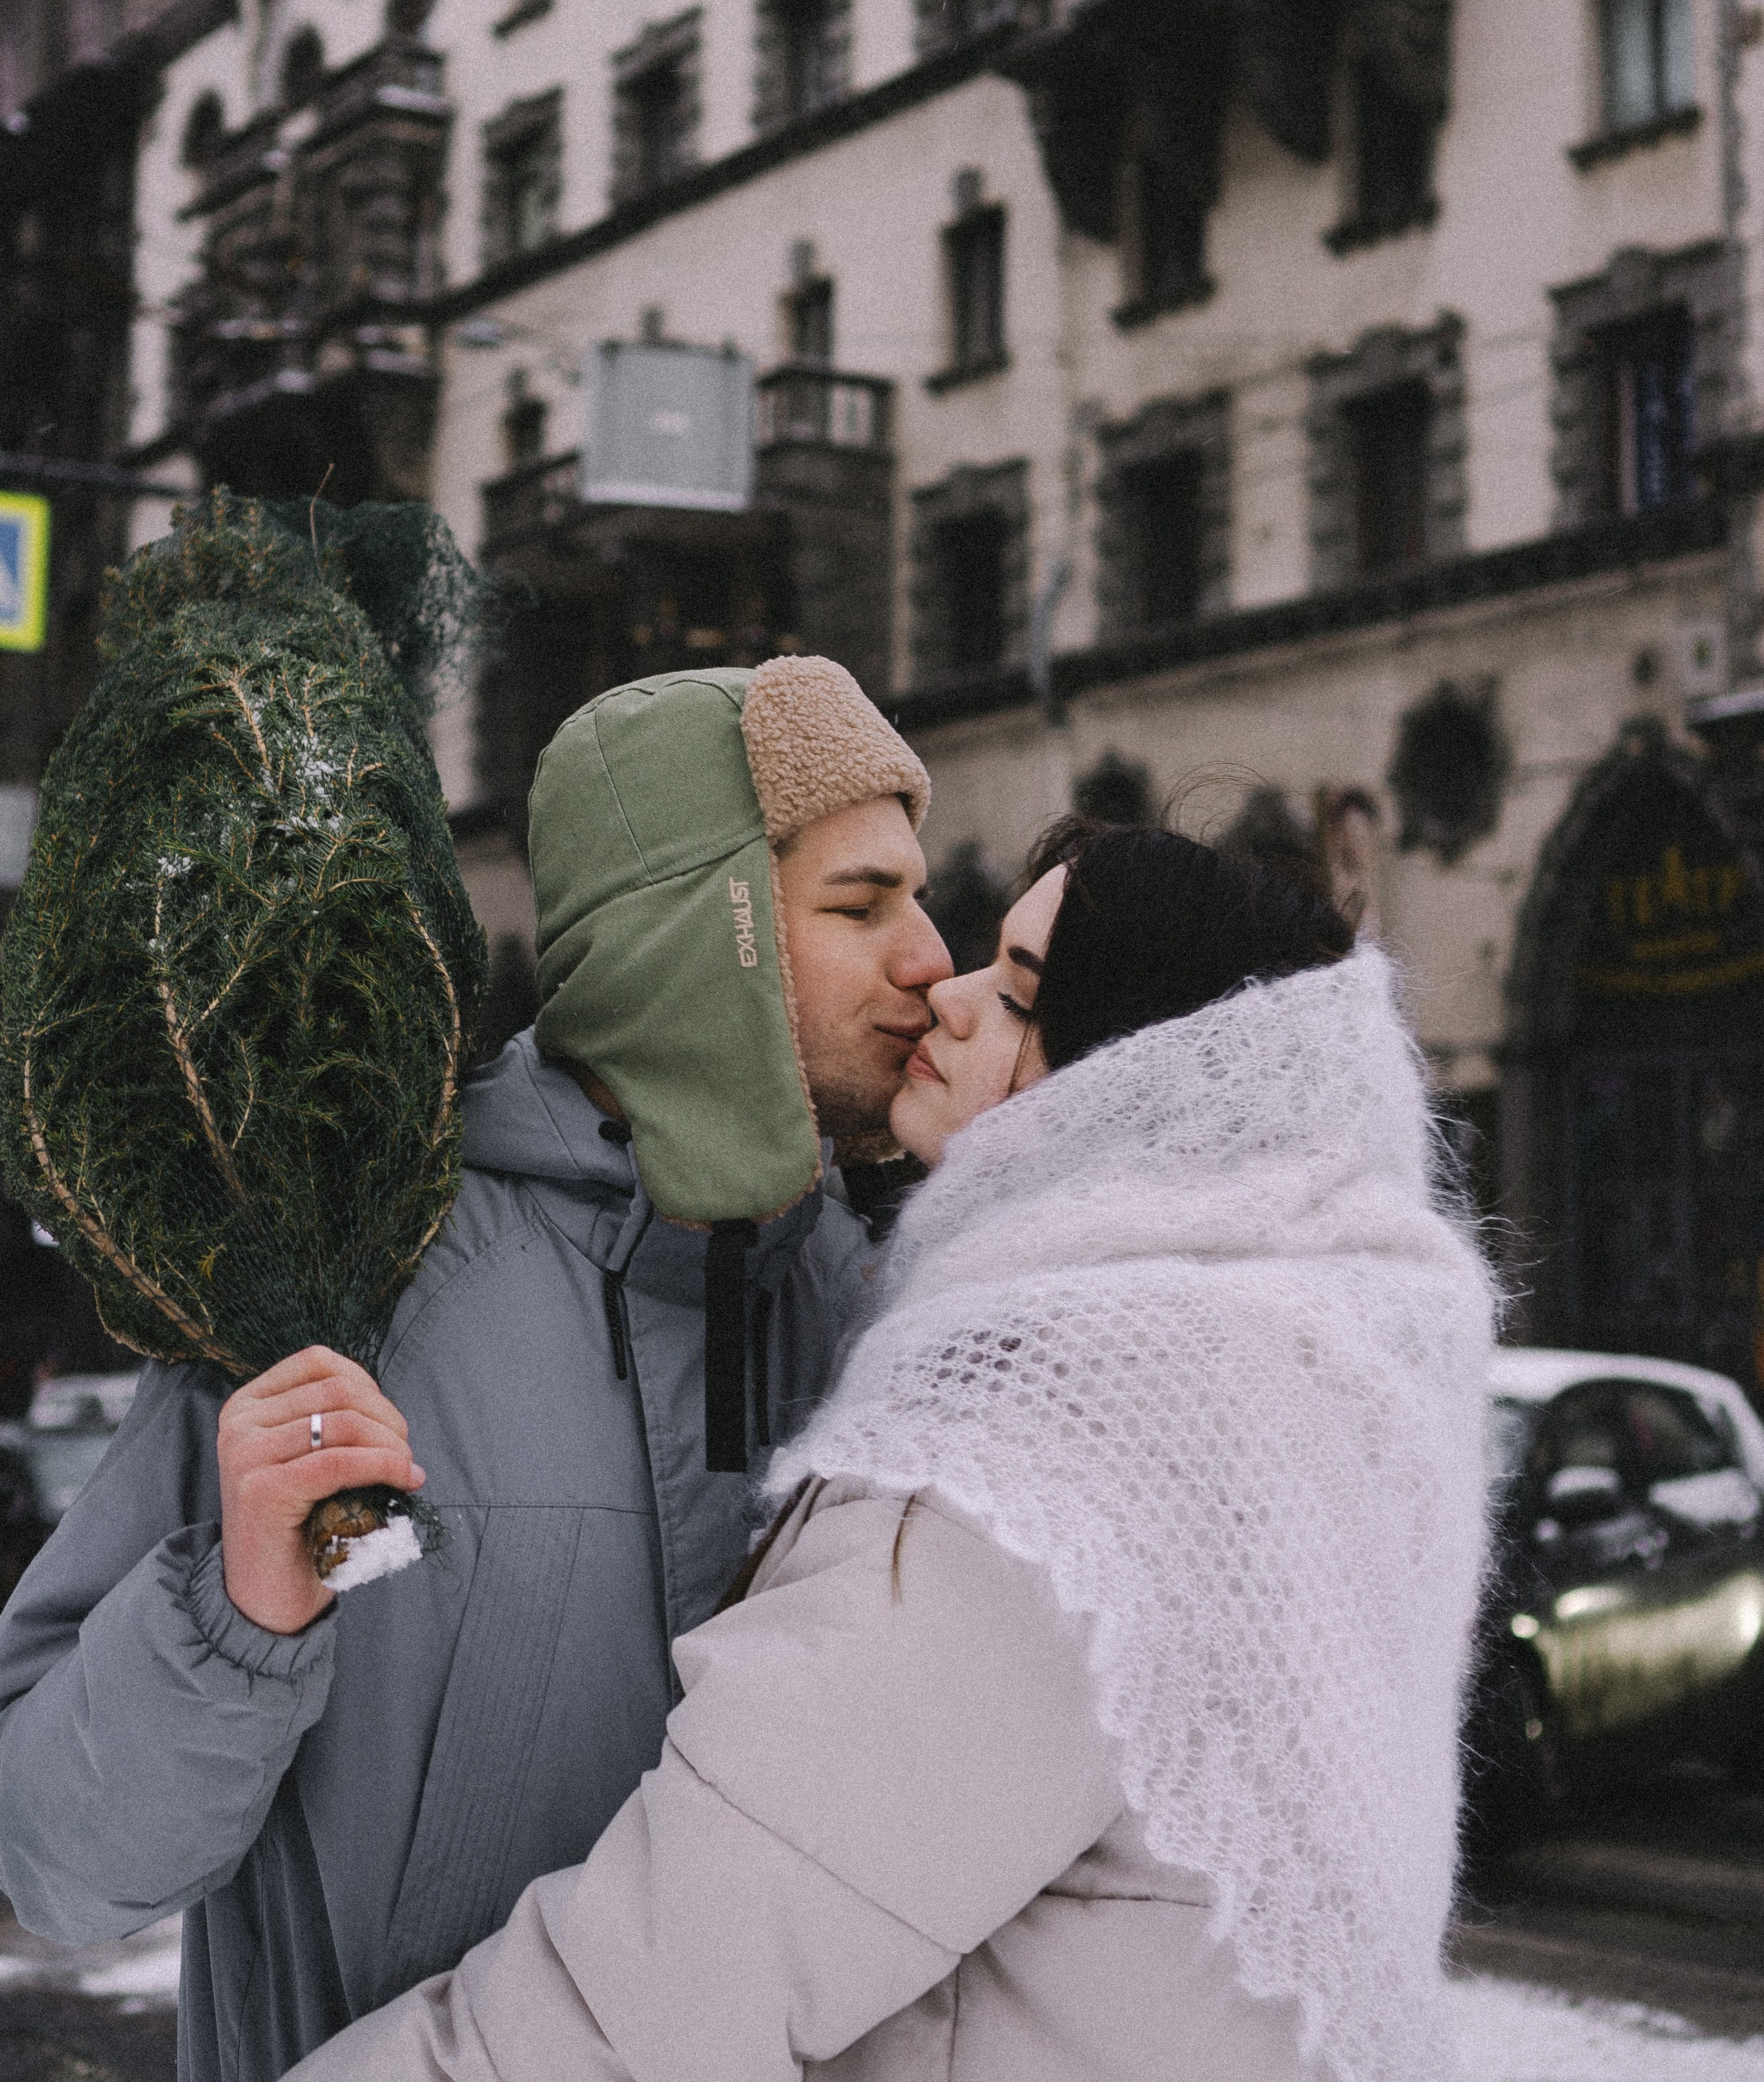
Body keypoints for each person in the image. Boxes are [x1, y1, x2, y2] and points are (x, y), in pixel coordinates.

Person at [285, 818, 1496, 2082]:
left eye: (1022, 996)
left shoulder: (1048, 1453)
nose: (946, 994)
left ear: (1129, 1090)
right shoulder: (1305, 1368)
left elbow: (661, 1992)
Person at [0, 657, 952, 2082]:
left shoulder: (884, 1316)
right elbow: (56, 1869)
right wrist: (237, 1620)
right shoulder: (345, 1280)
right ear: (704, 934)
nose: (931, 955)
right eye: (860, 905)